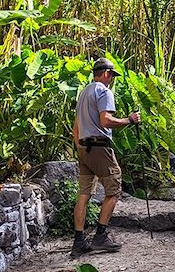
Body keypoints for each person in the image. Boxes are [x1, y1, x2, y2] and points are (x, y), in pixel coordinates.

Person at [71, 57, 141, 257]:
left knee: (84, 195)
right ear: (106, 74)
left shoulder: (84, 93)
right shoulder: (103, 91)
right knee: (114, 190)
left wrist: (81, 149)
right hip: (100, 147)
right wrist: (129, 120)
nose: (111, 80)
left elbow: (75, 129)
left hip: (83, 148)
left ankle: (79, 241)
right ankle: (100, 236)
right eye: (111, 75)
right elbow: (106, 121)